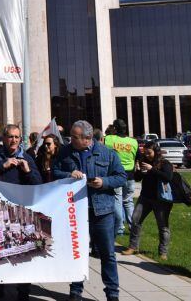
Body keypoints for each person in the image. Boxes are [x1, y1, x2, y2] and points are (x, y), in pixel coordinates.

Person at [53, 120, 125, 301]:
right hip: (75, 212)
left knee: (107, 253)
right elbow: (54, 172)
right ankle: (75, 290)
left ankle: (112, 293)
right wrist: (69, 175)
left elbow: (121, 177)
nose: (71, 140)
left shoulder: (108, 154)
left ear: (88, 139)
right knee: (78, 252)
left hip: (102, 212)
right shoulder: (65, 152)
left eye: (75, 137)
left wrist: (104, 182)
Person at [0, 124, 41, 301]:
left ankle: (23, 292)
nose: (13, 140)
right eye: (10, 137)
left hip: (20, 213)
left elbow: (37, 183)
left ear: (20, 139)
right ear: (4, 138)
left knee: (24, 253)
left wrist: (27, 171)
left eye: (16, 137)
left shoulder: (27, 158)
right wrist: (3, 165)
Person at [122, 140, 174, 260]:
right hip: (145, 197)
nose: (146, 155)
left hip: (161, 200)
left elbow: (168, 177)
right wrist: (139, 171)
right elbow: (138, 178)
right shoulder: (144, 161)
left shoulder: (164, 163)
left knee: (163, 226)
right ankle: (133, 247)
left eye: (149, 152)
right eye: (145, 152)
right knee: (135, 219)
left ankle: (163, 252)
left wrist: (152, 169)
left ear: (156, 152)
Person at [103, 119, 138, 236]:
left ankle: (120, 228)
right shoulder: (133, 142)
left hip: (116, 174)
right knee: (128, 202)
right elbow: (137, 157)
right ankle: (133, 227)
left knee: (117, 200)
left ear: (115, 128)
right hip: (130, 175)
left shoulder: (109, 139)